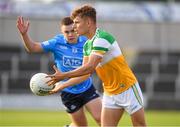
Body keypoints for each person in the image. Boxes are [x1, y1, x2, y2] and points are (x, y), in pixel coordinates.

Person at [47, 5, 147, 127]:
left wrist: (64, 76)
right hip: (110, 92)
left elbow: (90, 67)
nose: (74, 26)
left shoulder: (102, 38)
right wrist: (63, 84)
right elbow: (85, 74)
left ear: (88, 22)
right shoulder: (87, 45)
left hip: (127, 88)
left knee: (140, 125)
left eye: (77, 22)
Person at [16, 16, 102, 127]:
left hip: (86, 87)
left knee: (101, 119)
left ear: (77, 29)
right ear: (62, 32)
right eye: (66, 32)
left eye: (73, 31)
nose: (70, 34)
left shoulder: (86, 42)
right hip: (68, 92)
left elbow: (88, 72)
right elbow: (33, 48)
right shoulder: (57, 42)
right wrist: (24, 34)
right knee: (81, 125)